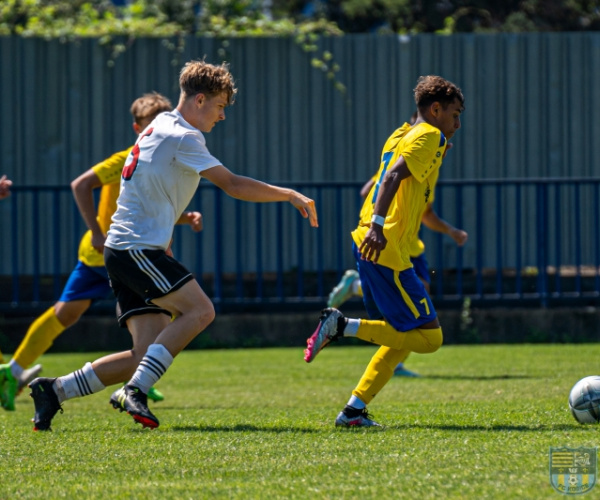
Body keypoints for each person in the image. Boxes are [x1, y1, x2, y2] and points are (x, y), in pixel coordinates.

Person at [28, 58, 319, 431]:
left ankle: (54, 390)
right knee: (200, 311)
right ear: (199, 100)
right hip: (138, 250)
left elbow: (150, 190)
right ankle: (135, 391)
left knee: (142, 354)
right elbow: (232, 184)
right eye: (220, 107)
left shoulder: (159, 126)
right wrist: (288, 194)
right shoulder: (184, 135)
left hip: (124, 250)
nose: (222, 117)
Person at [0, 93, 185, 412]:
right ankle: (14, 371)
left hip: (132, 253)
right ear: (136, 127)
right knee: (67, 314)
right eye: (150, 125)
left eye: (164, 123)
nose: (158, 130)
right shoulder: (127, 158)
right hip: (106, 255)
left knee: (154, 319)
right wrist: (98, 233)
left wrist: (183, 218)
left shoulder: (162, 162)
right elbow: (81, 184)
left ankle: (136, 377)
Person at [304, 75, 464, 428]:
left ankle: (353, 411)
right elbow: (391, 178)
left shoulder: (401, 133)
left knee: (402, 336)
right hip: (385, 245)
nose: (457, 123)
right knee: (430, 338)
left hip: (378, 244)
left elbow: (387, 177)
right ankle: (341, 325)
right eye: (454, 114)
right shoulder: (429, 135)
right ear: (435, 109)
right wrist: (378, 225)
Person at [327, 177, 468, 377]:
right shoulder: (403, 164)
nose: (446, 145)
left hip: (413, 248)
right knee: (410, 307)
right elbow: (369, 190)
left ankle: (356, 287)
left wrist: (450, 230)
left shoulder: (429, 168)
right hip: (395, 246)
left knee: (414, 303)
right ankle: (393, 363)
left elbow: (426, 213)